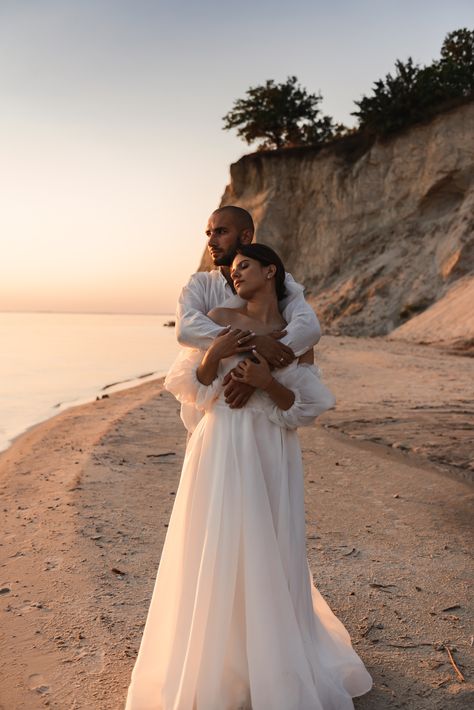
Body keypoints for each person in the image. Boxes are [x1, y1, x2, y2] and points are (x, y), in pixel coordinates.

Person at [124, 243, 373, 709]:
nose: (234, 274)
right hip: (218, 447)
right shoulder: (218, 316)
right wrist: (213, 352)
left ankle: (274, 667)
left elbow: (305, 407)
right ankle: (217, 667)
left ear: (270, 270)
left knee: (268, 547)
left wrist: (267, 383)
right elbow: (190, 389)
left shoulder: (294, 335)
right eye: (232, 268)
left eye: (243, 267)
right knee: (215, 545)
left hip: (270, 450)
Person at [175, 205, 321, 433]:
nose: (211, 242)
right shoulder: (201, 285)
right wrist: (255, 341)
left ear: (245, 236)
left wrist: (255, 369)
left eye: (221, 232)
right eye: (209, 233)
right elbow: (186, 330)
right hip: (210, 418)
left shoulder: (280, 284)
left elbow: (308, 329)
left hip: (266, 420)